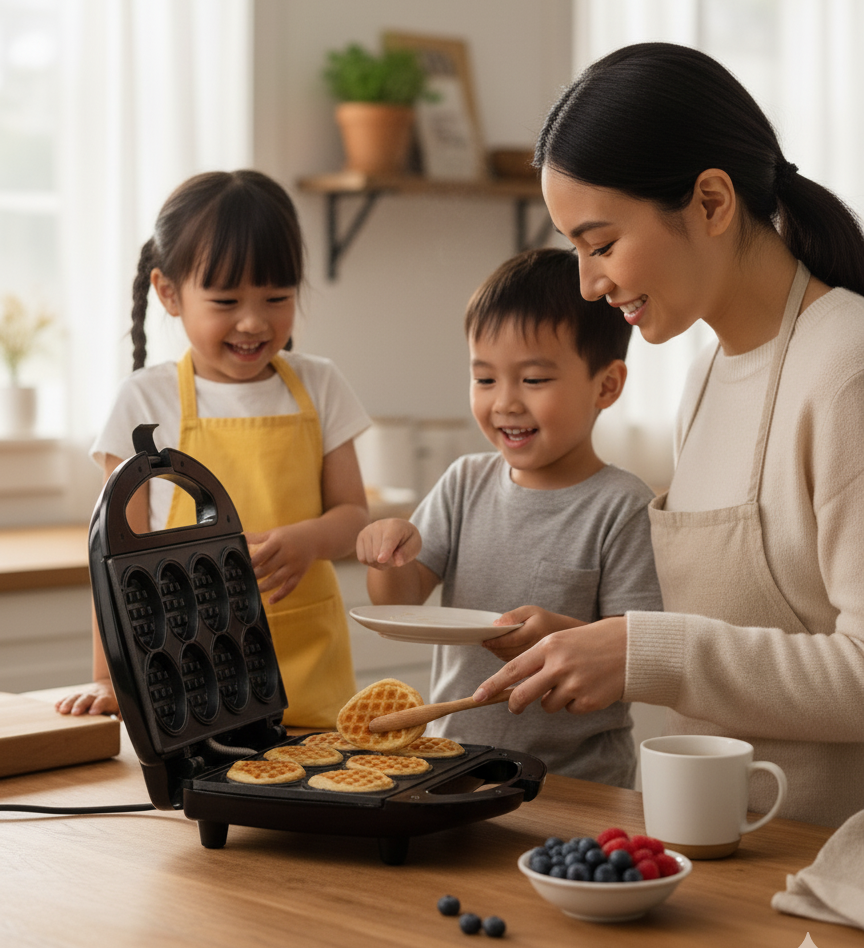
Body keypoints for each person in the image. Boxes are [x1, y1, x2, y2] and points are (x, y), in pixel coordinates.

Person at [472, 42, 864, 827]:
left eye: (602, 243)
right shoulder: (703, 379)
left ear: (712, 202)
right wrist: (600, 643)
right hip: (712, 854)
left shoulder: (846, 367)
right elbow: (750, 633)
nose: (588, 284)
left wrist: (647, 652)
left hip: (827, 869)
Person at [57, 169, 370, 727]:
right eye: (226, 300)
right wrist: (110, 679)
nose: (254, 322)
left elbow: (353, 515)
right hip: (189, 674)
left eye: (277, 297)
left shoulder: (321, 385)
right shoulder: (143, 401)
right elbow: (115, 560)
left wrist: (307, 540)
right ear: (169, 293)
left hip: (310, 675)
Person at [356, 248, 662, 787]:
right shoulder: (464, 482)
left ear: (607, 386)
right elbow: (397, 602)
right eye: (485, 379)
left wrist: (563, 635)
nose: (505, 404)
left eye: (535, 380)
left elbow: (638, 657)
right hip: (454, 765)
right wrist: (387, 554)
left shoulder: (622, 505)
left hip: (579, 782)